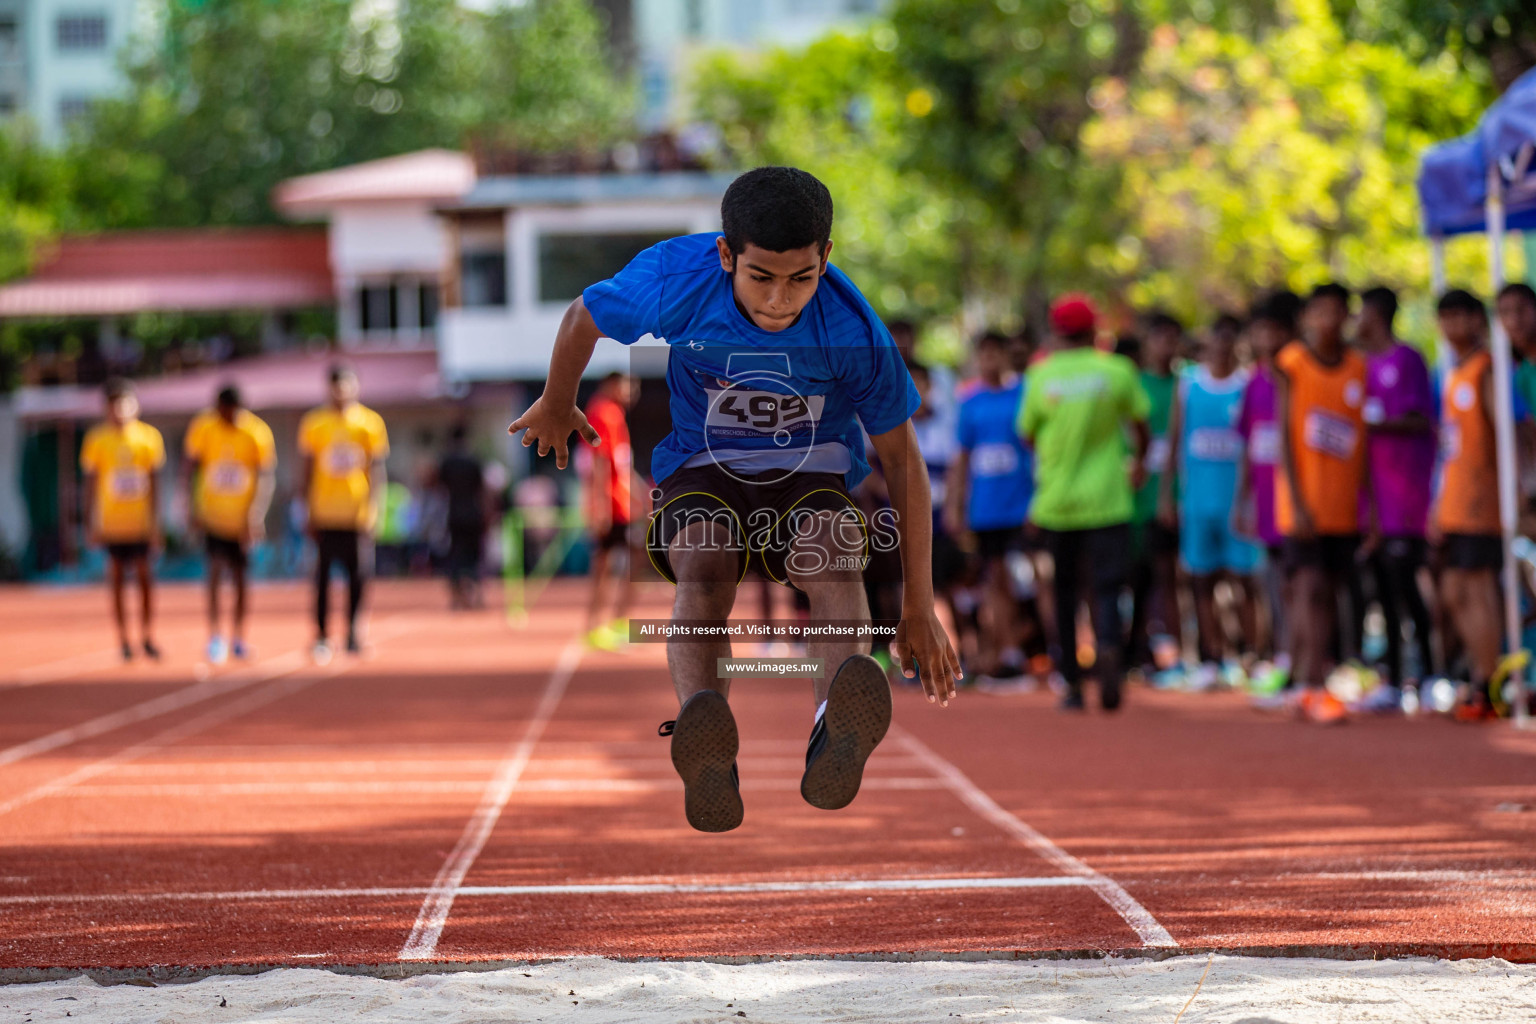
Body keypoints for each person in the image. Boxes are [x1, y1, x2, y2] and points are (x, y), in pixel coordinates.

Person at [510, 166, 960, 833]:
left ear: (825, 259)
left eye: (801, 279)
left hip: (810, 470)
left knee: (835, 556)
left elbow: (902, 460)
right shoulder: (676, 280)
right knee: (705, 560)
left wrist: (918, 607)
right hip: (703, 466)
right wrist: (557, 400)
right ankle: (704, 737)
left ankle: (830, 724)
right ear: (726, 255)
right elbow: (584, 317)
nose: (781, 301)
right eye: (762, 278)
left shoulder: (852, 329)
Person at [1018, 294, 1150, 712]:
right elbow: (1141, 424)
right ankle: (1109, 647)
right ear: (1095, 331)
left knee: (1064, 592)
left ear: (1057, 332)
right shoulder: (1117, 370)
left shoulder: (1041, 376)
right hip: (1108, 497)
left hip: (1057, 501)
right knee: (1108, 586)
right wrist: (1139, 462)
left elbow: (1027, 433)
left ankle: (1073, 683)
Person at [1275, 283, 1368, 724]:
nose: (1328, 321)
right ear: (1308, 317)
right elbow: (1284, 437)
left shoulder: (1356, 368)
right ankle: (1308, 682)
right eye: (1320, 312)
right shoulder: (1291, 364)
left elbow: (1360, 441)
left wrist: (1368, 506)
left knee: (1328, 591)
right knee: (1307, 587)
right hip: (1303, 506)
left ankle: (1313, 679)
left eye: (1337, 312)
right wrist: (1296, 500)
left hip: (1342, 506)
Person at [1160, 315, 1259, 687]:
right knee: (1200, 582)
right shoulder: (1188, 385)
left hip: (1237, 504)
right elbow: (1173, 442)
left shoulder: (1247, 384)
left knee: (1243, 581)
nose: (1221, 346)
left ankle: (1251, 654)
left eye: (1228, 340)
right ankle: (1210, 657)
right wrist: (1167, 495)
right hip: (1197, 503)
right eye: (1215, 339)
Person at [1354, 287, 1437, 703]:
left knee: (1408, 584)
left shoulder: (1407, 359)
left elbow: (1421, 418)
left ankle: (1429, 674)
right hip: (1372, 502)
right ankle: (1393, 679)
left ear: (1378, 314)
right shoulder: (1359, 366)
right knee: (1382, 587)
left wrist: (1373, 426)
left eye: (1360, 312)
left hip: (1406, 495)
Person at [1431, 289, 1506, 721]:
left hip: (1482, 501)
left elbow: (1501, 436)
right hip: (1455, 502)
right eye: (1445, 318)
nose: (1453, 326)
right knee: (1453, 591)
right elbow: (1450, 445)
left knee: (1476, 587)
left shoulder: (1485, 368)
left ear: (1478, 320)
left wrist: (1496, 492)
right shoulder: (1452, 372)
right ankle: (1483, 675)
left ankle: (1490, 682)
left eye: (1461, 317)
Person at [945, 330, 1032, 682]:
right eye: (984, 354)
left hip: (1022, 503)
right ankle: (1004, 652)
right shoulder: (969, 402)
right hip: (986, 507)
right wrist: (955, 505)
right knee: (993, 578)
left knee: (1031, 577)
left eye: (997, 352)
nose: (990, 359)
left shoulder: (1023, 394)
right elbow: (962, 458)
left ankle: (1023, 649)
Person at [299, 365, 389, 664]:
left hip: (356, 514)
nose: (341, 392)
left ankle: (353, 633)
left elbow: (376, 470)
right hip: (325, 514)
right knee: (322, 577)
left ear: (355, 387)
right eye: (336, 387)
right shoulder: (314, 423)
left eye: (346, 386)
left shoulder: (370, 423)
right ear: (328, 388)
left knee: (358, 576)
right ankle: (323, 635)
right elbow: (307, 470)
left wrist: (375, 508)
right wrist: (307, 510)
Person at [183, 385, 276, 664]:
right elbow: (190, 469)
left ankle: (238, 637)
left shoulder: (256, 432)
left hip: (242, 520)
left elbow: (265, 477)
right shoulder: (204, 427)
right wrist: (192, 508)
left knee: (240, 580)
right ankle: (214, 636)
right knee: (213, 574)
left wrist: (256, 514)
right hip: (212, 516)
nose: (226, 417)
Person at [1234, 296, 1297, 686]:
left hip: (1301, 503)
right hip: (1266, 501)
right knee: (1273, 582)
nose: (1266, 338)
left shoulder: (1299, 375)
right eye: (1259, 331)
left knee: (1304, 584)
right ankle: (1285, 655)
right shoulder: (1254, 381)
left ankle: (1311, 659)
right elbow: (1250, 442)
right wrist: (1243, 500)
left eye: (1273, 329)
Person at [80, 378, 166, 662]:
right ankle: (123, 639)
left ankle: (147, 634)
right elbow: (90, 485)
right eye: (113, 403)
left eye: (124, 402)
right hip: (112, 524)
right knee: (116, 580)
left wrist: (156, 523)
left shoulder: (149, 438)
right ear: (106, 407)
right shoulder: (96, 440)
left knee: (144, 579)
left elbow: (154, 483)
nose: (119, 409)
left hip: (140, 523)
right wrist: (89, 522)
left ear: (135, 405)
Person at [1127, 313, 1182, 675]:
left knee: (1171, 575)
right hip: (1136, 498)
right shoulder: (1134, 384)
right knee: (1136, 577)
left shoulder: (1187, 384)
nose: (1165, 346)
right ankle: (1137, 648)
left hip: (1178, 496)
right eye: (1158, 338)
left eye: (1171, 338)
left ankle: (1179, 654)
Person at [580, 372, 641, 647]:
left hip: (623, 504)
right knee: (606, 564)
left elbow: (622, 465)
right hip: (614, 506)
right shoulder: (603, 413)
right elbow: (601, 462)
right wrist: (601, 506)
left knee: (631, 560)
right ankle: (598, 626)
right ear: (611, 384)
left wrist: (641, 494)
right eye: (628, 385)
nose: (633, 391)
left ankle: (612, 623)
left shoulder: (615, 414)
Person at [437, 423, 489, 611]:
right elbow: (482, 489)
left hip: (454, 513)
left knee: (455, 556)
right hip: (473, 513)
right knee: (475, 556)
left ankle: (456, 598)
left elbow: (439, 487)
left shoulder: (447, 461)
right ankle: (477, 596)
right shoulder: (474, 459)